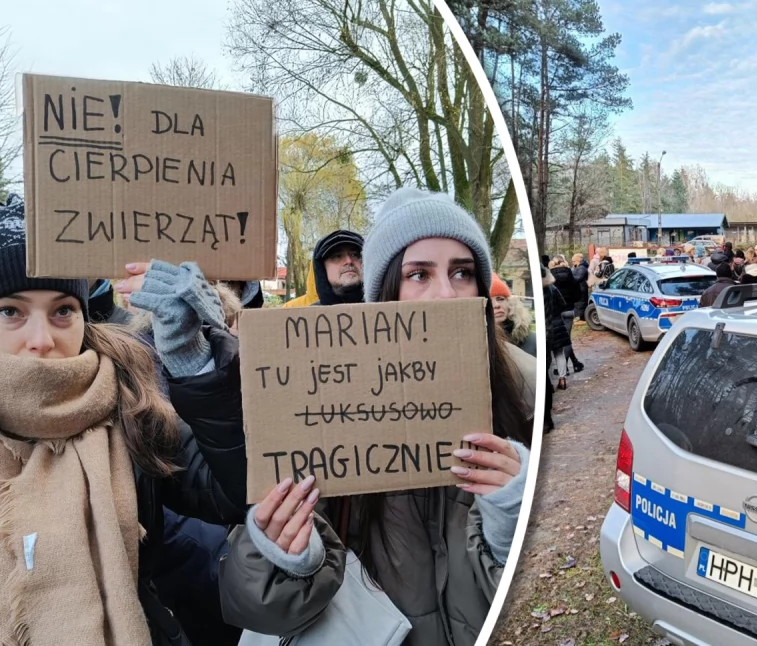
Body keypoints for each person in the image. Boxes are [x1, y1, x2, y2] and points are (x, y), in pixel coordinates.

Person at [242, 187, 535, 646]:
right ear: (384, 291)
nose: (445, 294)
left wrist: (513, 517)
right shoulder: (328, 389)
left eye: (462, 272)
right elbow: (264, 594)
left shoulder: (525, 390)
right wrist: (294, 556)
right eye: (418, 274)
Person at [0, 195, 256, 645]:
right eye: (10, 312)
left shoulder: (128, 408)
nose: (40, 341)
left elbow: (236, 491)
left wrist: (197, 360)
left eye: (63, 310)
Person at [548, 256, 584, 373]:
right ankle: (573, 363)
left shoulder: (550, 277)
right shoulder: (570, 275)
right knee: (566, 338)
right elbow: (578, 294)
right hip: (569, 310)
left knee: (561, 340)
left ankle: (564, 369)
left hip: (555, 312)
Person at [311, 229, 365, 305]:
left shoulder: (385, 306)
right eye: (337, 256)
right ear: (323, 268)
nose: (349, 261)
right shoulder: (311, 315)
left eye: (354, 255)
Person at [491, 275, 536, 357]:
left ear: (510, 303)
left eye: (500, 299)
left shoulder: (533, 340)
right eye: (488, 301)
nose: (496, 305)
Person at [544, 266, 572, 391]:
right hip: (557, 323)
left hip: (546, 326)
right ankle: (562, 379)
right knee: (559, 353)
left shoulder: (538, 291)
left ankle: (548, 383)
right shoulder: (553, 288)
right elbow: (563, 304)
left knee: (546, 356)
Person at [571, 253, 590, 323]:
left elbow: (579, 277)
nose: (573, 263)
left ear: (578, 260)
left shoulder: (582, 268)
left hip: (581, 288)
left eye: (574, 261)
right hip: (579, 287)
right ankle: (580, 317)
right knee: (579, 303)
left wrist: (570, 278)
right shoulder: (578, 267)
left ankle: (582, 318)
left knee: (581, 303)